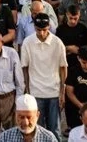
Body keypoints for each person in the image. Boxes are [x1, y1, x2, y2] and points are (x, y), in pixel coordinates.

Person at [20, 13, 67, 141]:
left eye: (44, 30)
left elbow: (63, 68)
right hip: (36, 92)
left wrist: (62, 92)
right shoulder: (27, 42)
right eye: (38, 30)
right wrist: (28, 90)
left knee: (55, 130)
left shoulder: (57, 43)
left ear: (49, 27)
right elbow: (25, 68)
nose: (41, 33)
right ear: (34, 27)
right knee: (36, 130)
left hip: (53, 92)